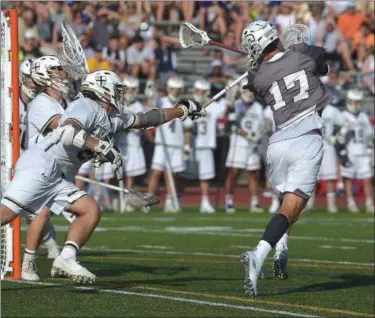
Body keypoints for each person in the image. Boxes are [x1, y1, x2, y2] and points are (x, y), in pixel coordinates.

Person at [0, 70, 206, 283]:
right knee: (6, 215)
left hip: (59, 176)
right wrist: (99, 146)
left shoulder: (110, 119)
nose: (120, 95)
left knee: (91, 210)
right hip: (42, 165)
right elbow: (67, 132)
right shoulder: (86, 106)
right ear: (104, 89)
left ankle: (66, 259)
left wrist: (182, 110)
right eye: (117, 90)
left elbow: (147, 118)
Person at [240, 21, 331, 297]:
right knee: (292, 208)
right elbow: (322, 66)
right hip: (307, 137)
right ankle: (258, 255)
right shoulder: (303, 52)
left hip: (278, 144)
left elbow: (252, 83)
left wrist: (255, 61)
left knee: (284, 205)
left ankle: (281, 248)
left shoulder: (258, 76)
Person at [21, 56, 69, 281]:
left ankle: (61, 257)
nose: (63, 73)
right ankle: (33, 260)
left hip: (54, 167)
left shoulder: (63, 101)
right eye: (57, 69)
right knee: (35, 214)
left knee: (88, 211)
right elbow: (61, 124)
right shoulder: (40, 102)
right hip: (34, 166)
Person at [147, 77, 192, 213]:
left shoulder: (184, 105)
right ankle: (148, 201)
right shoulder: (162, 101)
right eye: (173, 89)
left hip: (176, 145)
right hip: (162, 144)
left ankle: (171, 200)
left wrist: (187, 146)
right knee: (155, 173)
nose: (176, 91)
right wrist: (151, 93)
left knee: (173, 175)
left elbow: (187, 129)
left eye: (178, 89)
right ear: (169, 89)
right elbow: (151, 106)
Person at [115, 77, 152, 212]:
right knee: (118, 174)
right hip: (120, 143)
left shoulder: (139, 106)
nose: (130, 92)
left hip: (133, 143)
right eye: (128, 89)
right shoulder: (118, 105)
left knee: (130, 175)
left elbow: (142, 124)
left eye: (133, 89)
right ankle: (116, 199)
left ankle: (127, 200)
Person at [224, 88, 265, 214]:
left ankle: (254, 203)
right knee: (234, 172)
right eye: (246, 91)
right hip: (238, 144)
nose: (249, 94)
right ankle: (229, 201)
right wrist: (246, 134)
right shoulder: (235, 105)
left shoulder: (257, 106)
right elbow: (231, 124)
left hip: (253, 144)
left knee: (254, 173)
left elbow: (262, 124)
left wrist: (257, 135)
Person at [189, 78, 226, 213]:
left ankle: (204, 202)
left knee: (205, 176)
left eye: (203, 91)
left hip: (206, 144)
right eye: (198, 91)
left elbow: (224, 116)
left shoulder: (214, 106)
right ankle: (175, 200)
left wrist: (229, 102)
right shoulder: (188, 105)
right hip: (191, 145)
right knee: (182, 174)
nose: (200, 93)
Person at [340, 89, 374, 213]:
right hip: (350, 151)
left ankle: (369, 202)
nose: (357, 104)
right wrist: (342, 151)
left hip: (363, 150)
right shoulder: (343, 115)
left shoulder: (363, 115)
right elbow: (339, 135)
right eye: (355, 101)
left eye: (358, 102)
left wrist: (370, 148)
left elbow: (370, 133)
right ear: (349, 101)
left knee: (368, 177)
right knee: (349, 178)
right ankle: (350, 202)